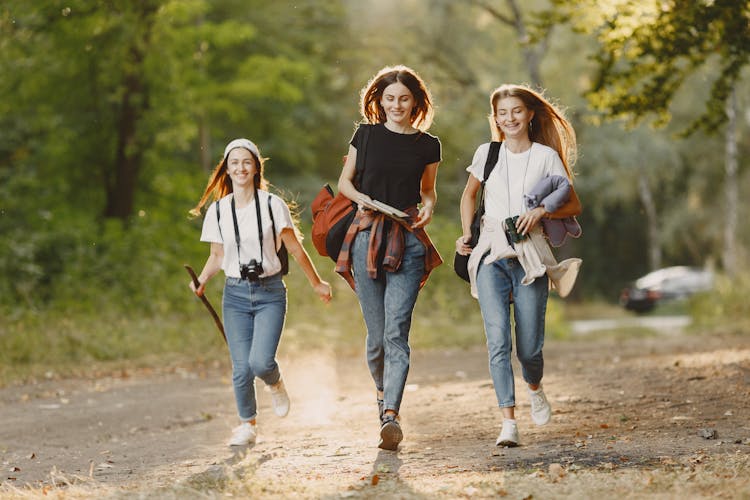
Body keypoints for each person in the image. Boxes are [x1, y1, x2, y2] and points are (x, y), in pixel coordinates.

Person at [456, 84, 580, 447]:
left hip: (531, 256)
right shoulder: (487, 153)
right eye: (502, 113)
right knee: (497, 343)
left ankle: (535, 387)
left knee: (529, 349)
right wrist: (467, 233)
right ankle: (508, 422)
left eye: (516, 111)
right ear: (495, 118)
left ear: (529, 115)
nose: (509, 118)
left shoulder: (545, 156)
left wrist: (542, 211)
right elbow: (469, 195)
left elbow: (573, 204)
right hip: (490, 254)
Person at [189, 138, 332, 447]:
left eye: (246, 162)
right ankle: (247, 425)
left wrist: (317, 282)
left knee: (261, 363)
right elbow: (217, 255)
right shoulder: (218, 210)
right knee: (241, 368)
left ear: (256, 167)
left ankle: (275, 382)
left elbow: (295, 248)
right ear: (226, 169)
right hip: (235, 295)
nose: (240, 168)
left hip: (270, 293)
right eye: (234, 163)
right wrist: (201, 280)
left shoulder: (272, 205)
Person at [336, 65, 443, 451]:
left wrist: (428, 206)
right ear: (379, 101)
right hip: (366, 237)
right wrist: (366, 200)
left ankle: (391, 416)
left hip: (409, 240)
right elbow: (345, 182)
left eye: (404, 99)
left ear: (415, 102)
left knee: (396, 332)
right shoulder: (365, 135)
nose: (397, 105)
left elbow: (428, 191)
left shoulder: (428, 145)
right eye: (390, 98)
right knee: (377, 336)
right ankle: (381, 394)